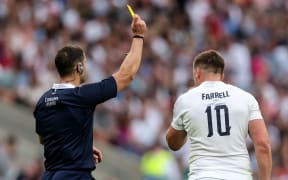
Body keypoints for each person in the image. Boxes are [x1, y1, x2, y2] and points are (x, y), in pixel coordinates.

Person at [33, 14, 146, 180]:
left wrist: (80, 145)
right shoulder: (81, 96)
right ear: (79, 67)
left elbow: (45, 138)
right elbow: (126, 75)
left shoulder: (43, 101)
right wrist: (139, 35)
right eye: (84, 64)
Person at [166, 50, 272, 180]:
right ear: (222, 75)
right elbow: (263, 144)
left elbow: (173, 144)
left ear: (197, 72)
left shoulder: (186, 100)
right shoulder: (245, 98)